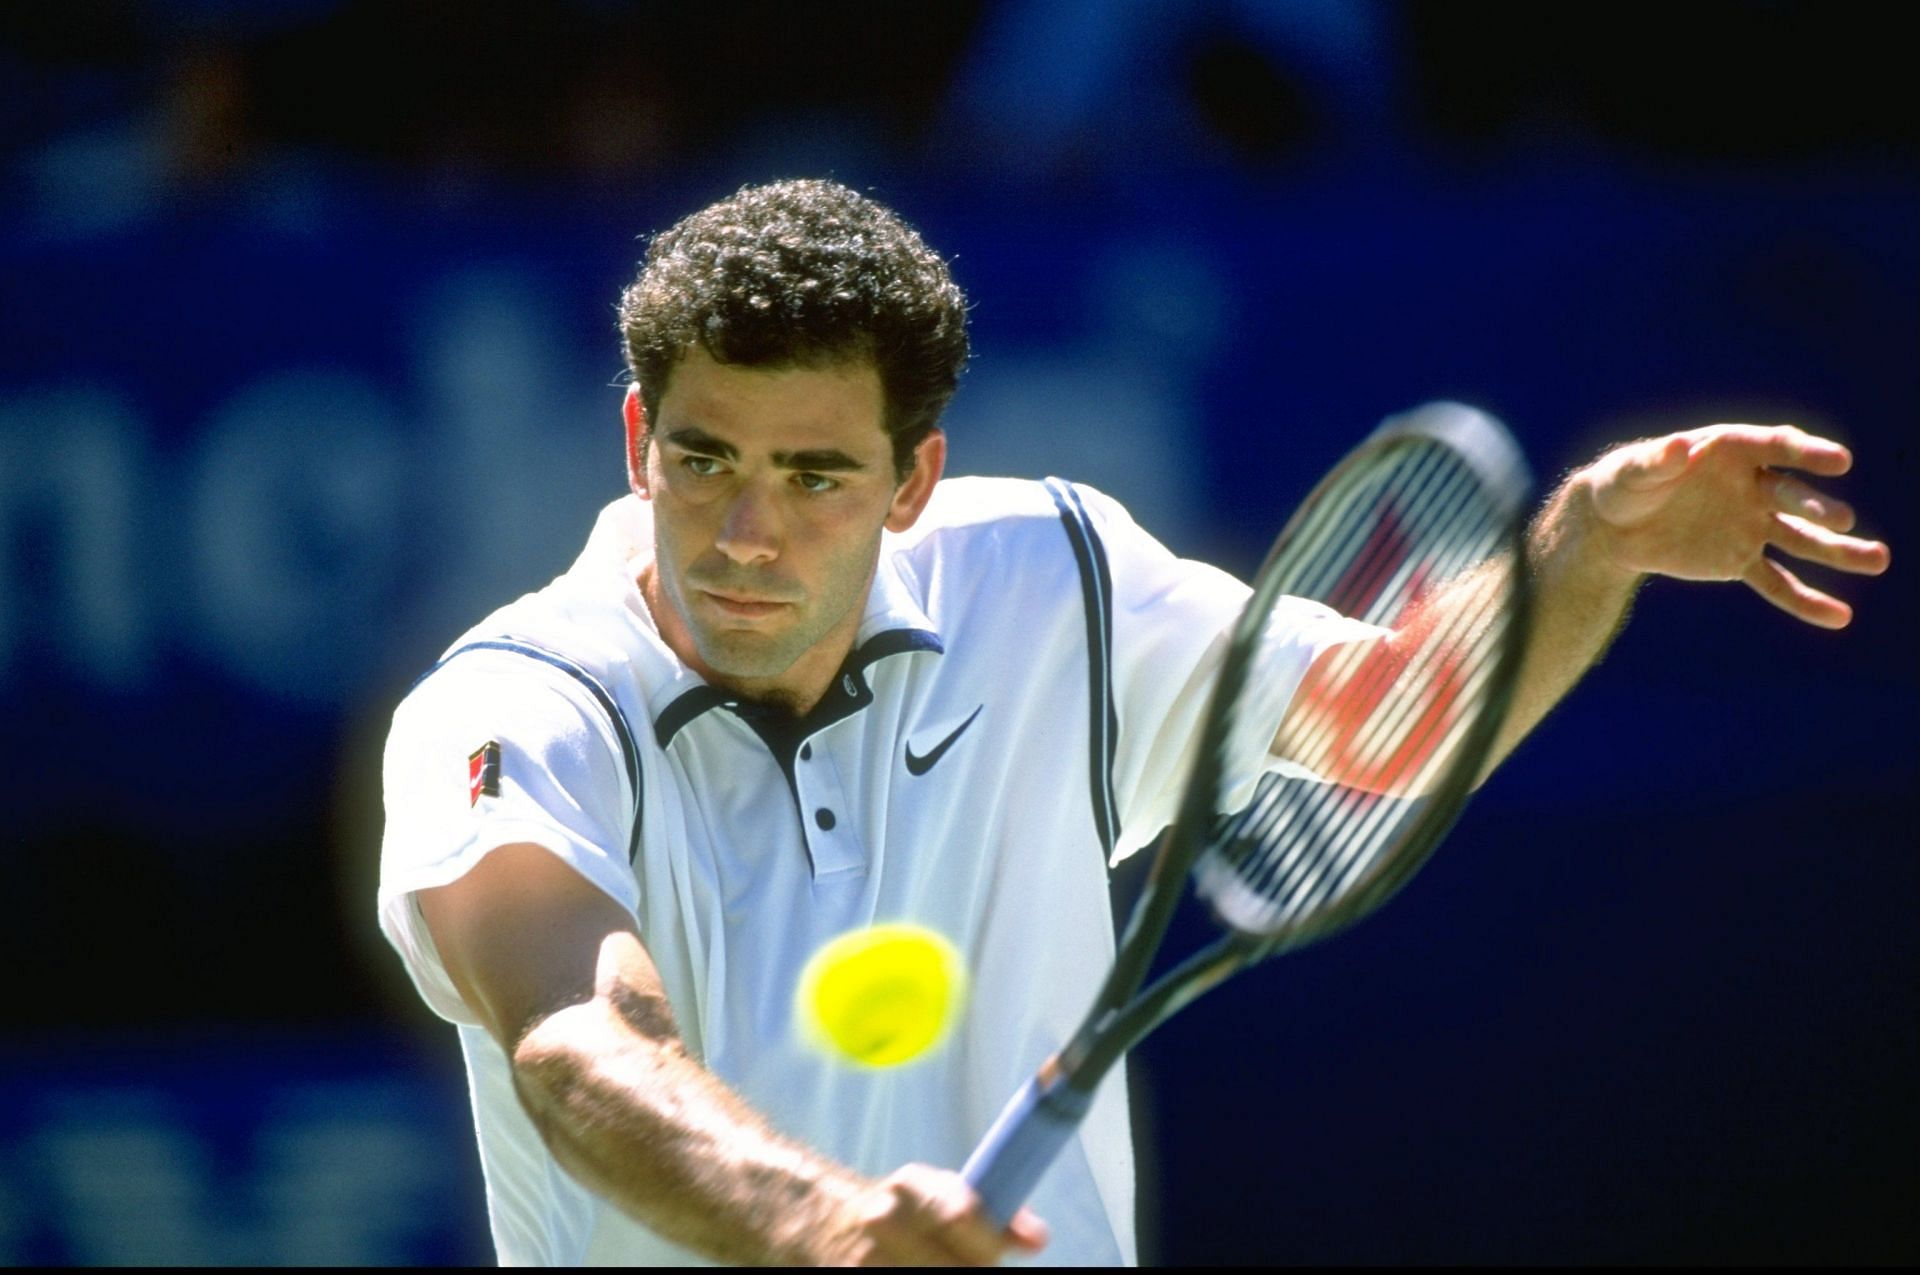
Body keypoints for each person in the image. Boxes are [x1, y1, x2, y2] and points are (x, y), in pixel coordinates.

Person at [376, 179, 1889, 1266]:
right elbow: (579, 1041)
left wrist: (1592, 543)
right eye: (704, 459)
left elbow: (1388, 731)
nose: (745, 533)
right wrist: (819, 1226)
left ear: (914, 481)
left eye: (818, 476)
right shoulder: (518, 704)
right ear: (640, 439)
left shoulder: (1058, 579)